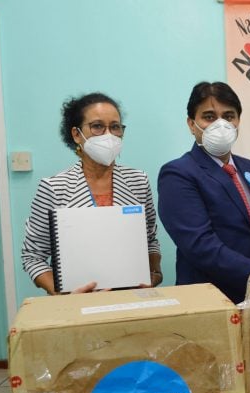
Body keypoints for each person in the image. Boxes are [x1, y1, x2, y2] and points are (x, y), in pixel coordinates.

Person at [157, 81, 250, 304]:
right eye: (209, 117)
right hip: (210, 300)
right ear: (192, 124)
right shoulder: (178, 174)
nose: (220, 125)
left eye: (228, 116)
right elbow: (201, 247)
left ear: (238, 121)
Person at [21, 93, 162, 295]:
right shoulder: (54, 187)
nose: (108, 135)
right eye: (97, 126)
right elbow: (32, 256)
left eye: (115, 127)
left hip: (132, 297)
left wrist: (155, 274)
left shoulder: (138, 180)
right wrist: (63, 294)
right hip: (77, 305)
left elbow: (149, 240)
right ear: (77, 134)